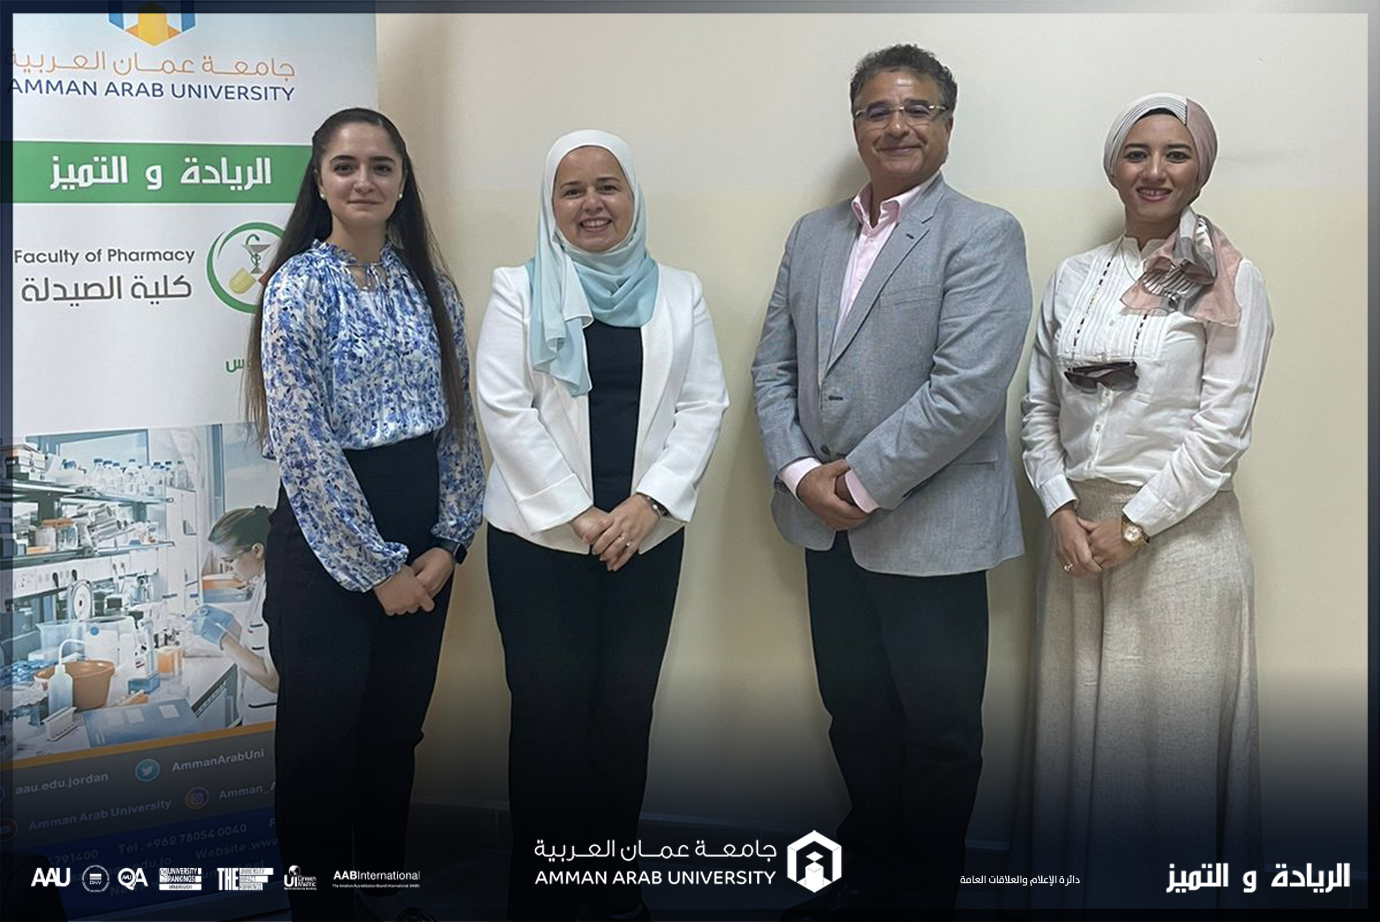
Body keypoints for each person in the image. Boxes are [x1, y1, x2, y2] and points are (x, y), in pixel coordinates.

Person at [751, 45, 1032, 919]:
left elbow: (967, 390)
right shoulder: (812, 235)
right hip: (824, 528)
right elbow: (771, 368)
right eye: (877, 110)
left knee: (940, 737)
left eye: (917, 109)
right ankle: (863, 885)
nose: (897, 125)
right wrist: (801, 474)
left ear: (947, 123)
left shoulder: (983, 233)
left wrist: (860, 484)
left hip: (932, 529)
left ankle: (923, 899)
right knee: (857, 719)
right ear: (856, 125)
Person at [1006, 93, 1271, 911]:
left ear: (1201, 170)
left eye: (1175, 154)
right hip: (1076, 543)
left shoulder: (1231, 277)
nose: (1154, 171)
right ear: (1113, 167)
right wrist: (1059, 508)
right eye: (1137, 153)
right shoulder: (1074, 276)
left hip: (1179, 544)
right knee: (1073, 740)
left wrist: (1134, 524)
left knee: (1168, 757)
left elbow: (1221, 431)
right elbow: (1038, 406)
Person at [475, 129, 728, 922]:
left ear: (632, 196)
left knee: (623, 720)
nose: (592, 203)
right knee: (548, 725)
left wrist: (648, 504)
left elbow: (704, 404)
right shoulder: (518, 288)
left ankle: (612, 890)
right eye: (572, 189)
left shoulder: (680, 291)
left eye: (607, 186)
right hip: (539, 544)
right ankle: (543, 900)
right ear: (550, 205)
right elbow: (503, 409)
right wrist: (580, 514)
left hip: (646, 541)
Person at [243, 107, 484, 922]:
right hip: (326, 543)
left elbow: (459, 423)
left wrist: (450, 541)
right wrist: (376, 568)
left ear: (403, 181)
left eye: (382, 166)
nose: (364, 181)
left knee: (392, 737)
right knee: (318, 748)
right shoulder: (296, 286)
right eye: (345, 166)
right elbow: (304, 444)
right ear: (319, 181)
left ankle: (382, 897)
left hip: (424, 537)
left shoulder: (432, 287)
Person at [200, 505, 279, 724]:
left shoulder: (274, 593)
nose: (228, 569)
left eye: (229, 561)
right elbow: (262, 646)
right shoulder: (262, 581)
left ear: (257, 550)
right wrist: (231, 625)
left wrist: (223, 639)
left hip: (270, 721)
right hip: (256, 713)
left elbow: (272, 679)